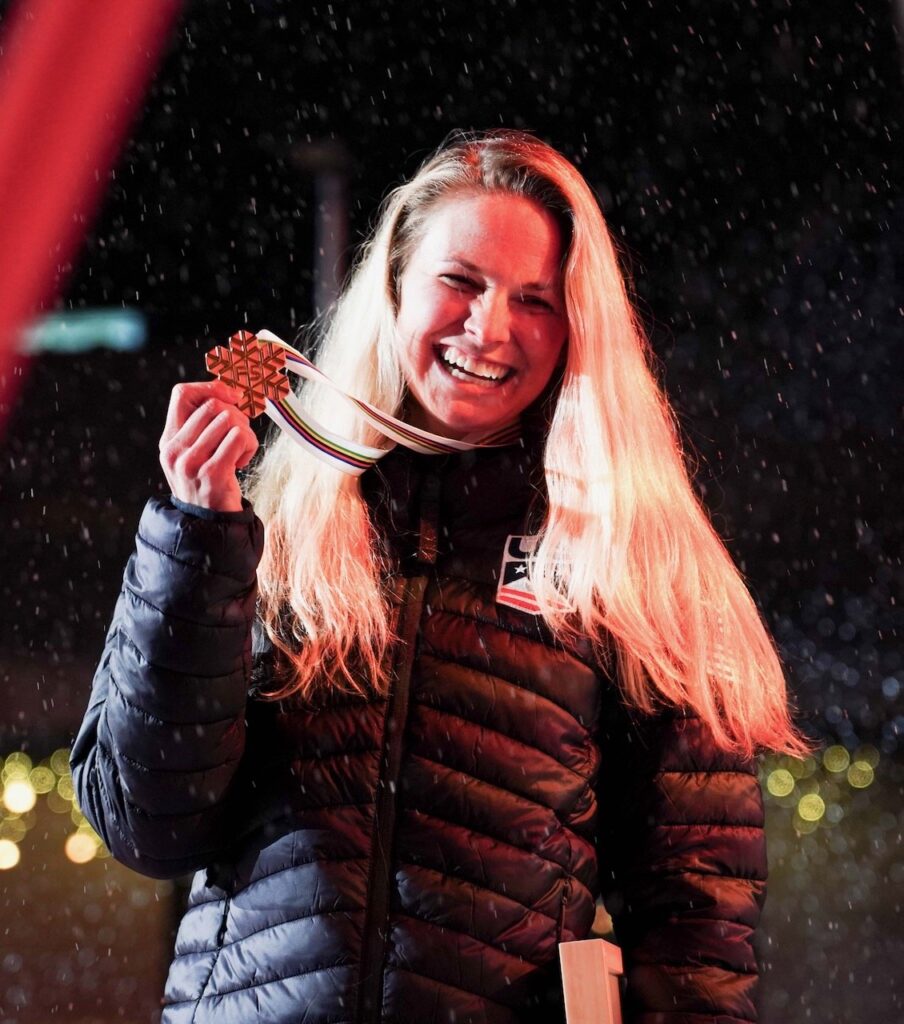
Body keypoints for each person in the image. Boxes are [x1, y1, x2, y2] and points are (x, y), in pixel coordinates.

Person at [71, 130, 811, 1024]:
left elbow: (699, 925)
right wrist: (198, 540)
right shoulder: (267, 531)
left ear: (580, 326)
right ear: (392, 289)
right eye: (459, 282)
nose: (489, 328)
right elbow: (147, 826)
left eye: (535, 298)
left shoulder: (631, 562)